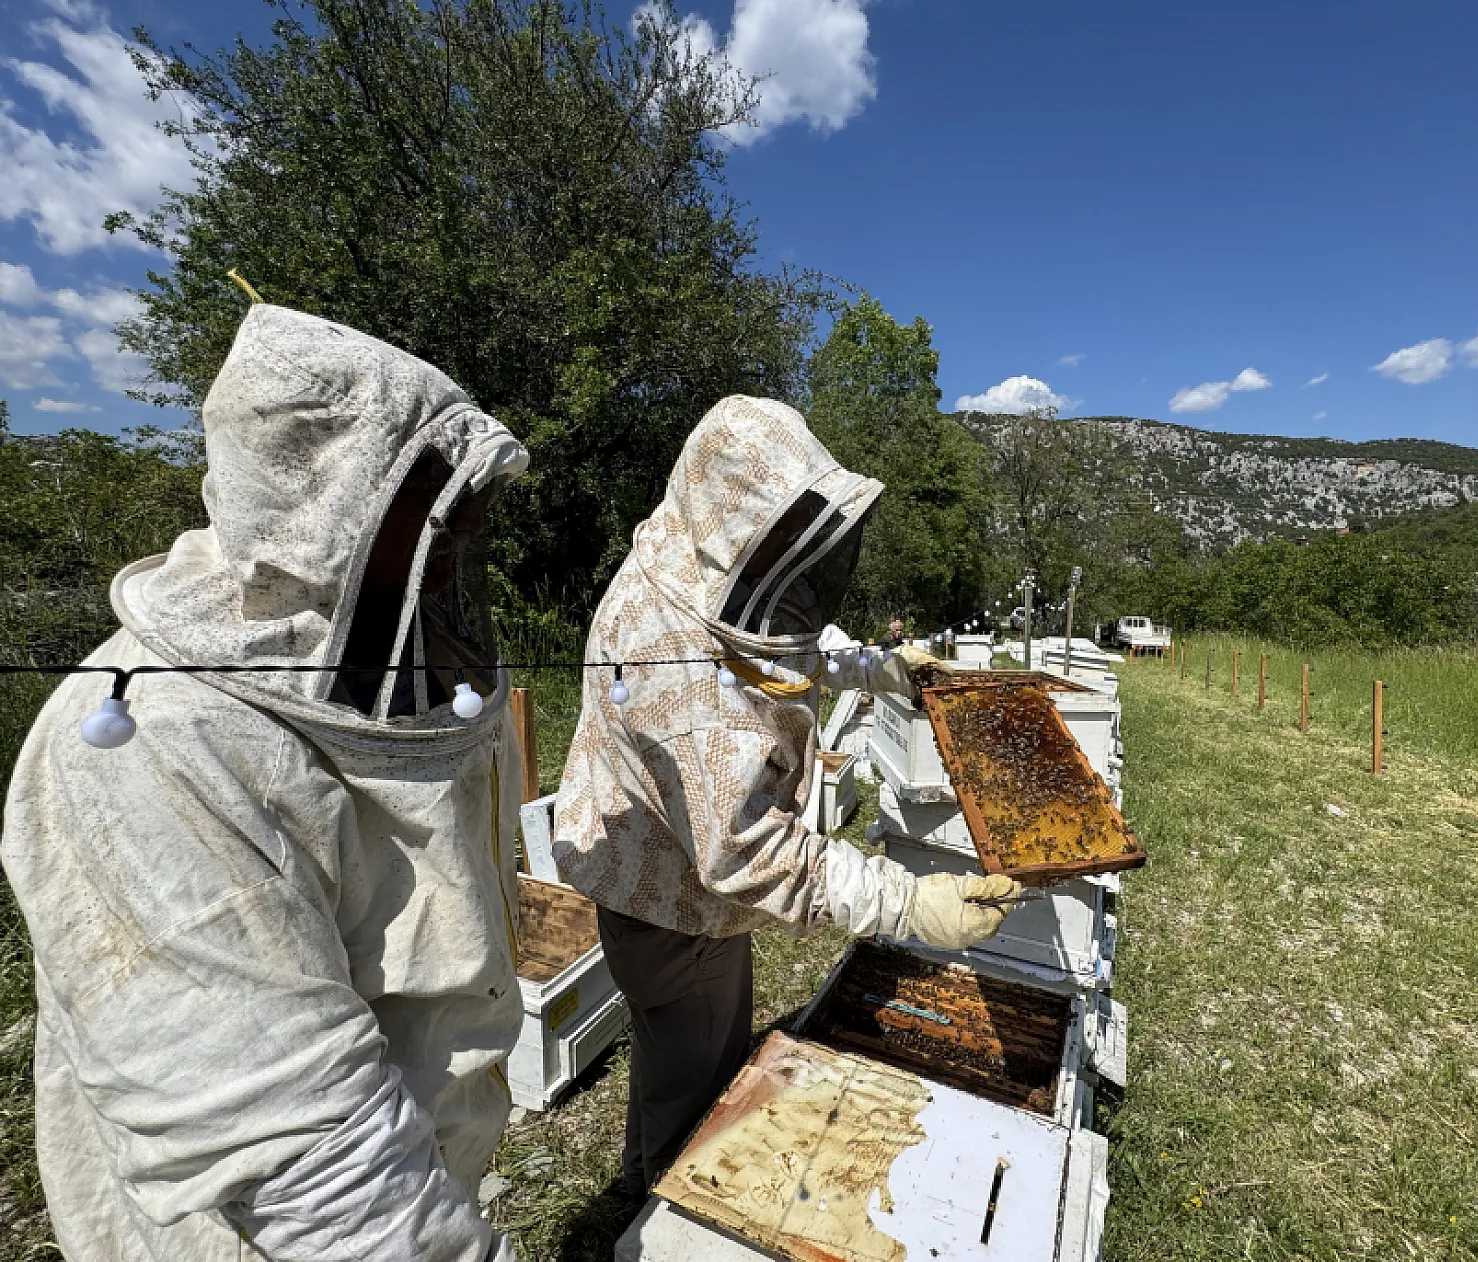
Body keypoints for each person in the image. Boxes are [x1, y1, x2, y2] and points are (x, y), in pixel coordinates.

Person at [1, 304, 531, 1261]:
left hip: (422, 1182)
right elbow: (301, 1149)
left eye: (464, 532)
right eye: (437, 528)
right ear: (333, 516)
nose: (453, 558)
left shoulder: (394, 675)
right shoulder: (149, 745)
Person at [551, 395, 1020, 1199]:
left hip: (646, 879)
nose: (791, 558)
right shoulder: (673, 664)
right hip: (675, 909)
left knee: (670, 1054)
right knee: (698, 1086)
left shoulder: (684, 552)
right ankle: (663, 1212)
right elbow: (748, 853)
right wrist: (907, 903)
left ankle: (639, 1178)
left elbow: (766, 641)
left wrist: (866, 668)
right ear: (739, 520)